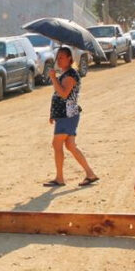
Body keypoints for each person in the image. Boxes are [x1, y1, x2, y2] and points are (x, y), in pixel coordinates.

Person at [44, 45, 98, 187]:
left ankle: (60, 178)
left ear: (69, 58)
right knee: (70, 145)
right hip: (65, 115)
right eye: (58, 57)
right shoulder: (66, 74)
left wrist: (53, 78)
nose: (59, 60)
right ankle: (90, 174)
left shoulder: (70, 75)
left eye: (62, 57)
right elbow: (58, 95)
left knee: (57, 144)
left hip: (67, 115)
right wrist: (53, 113)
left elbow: (63, 94)